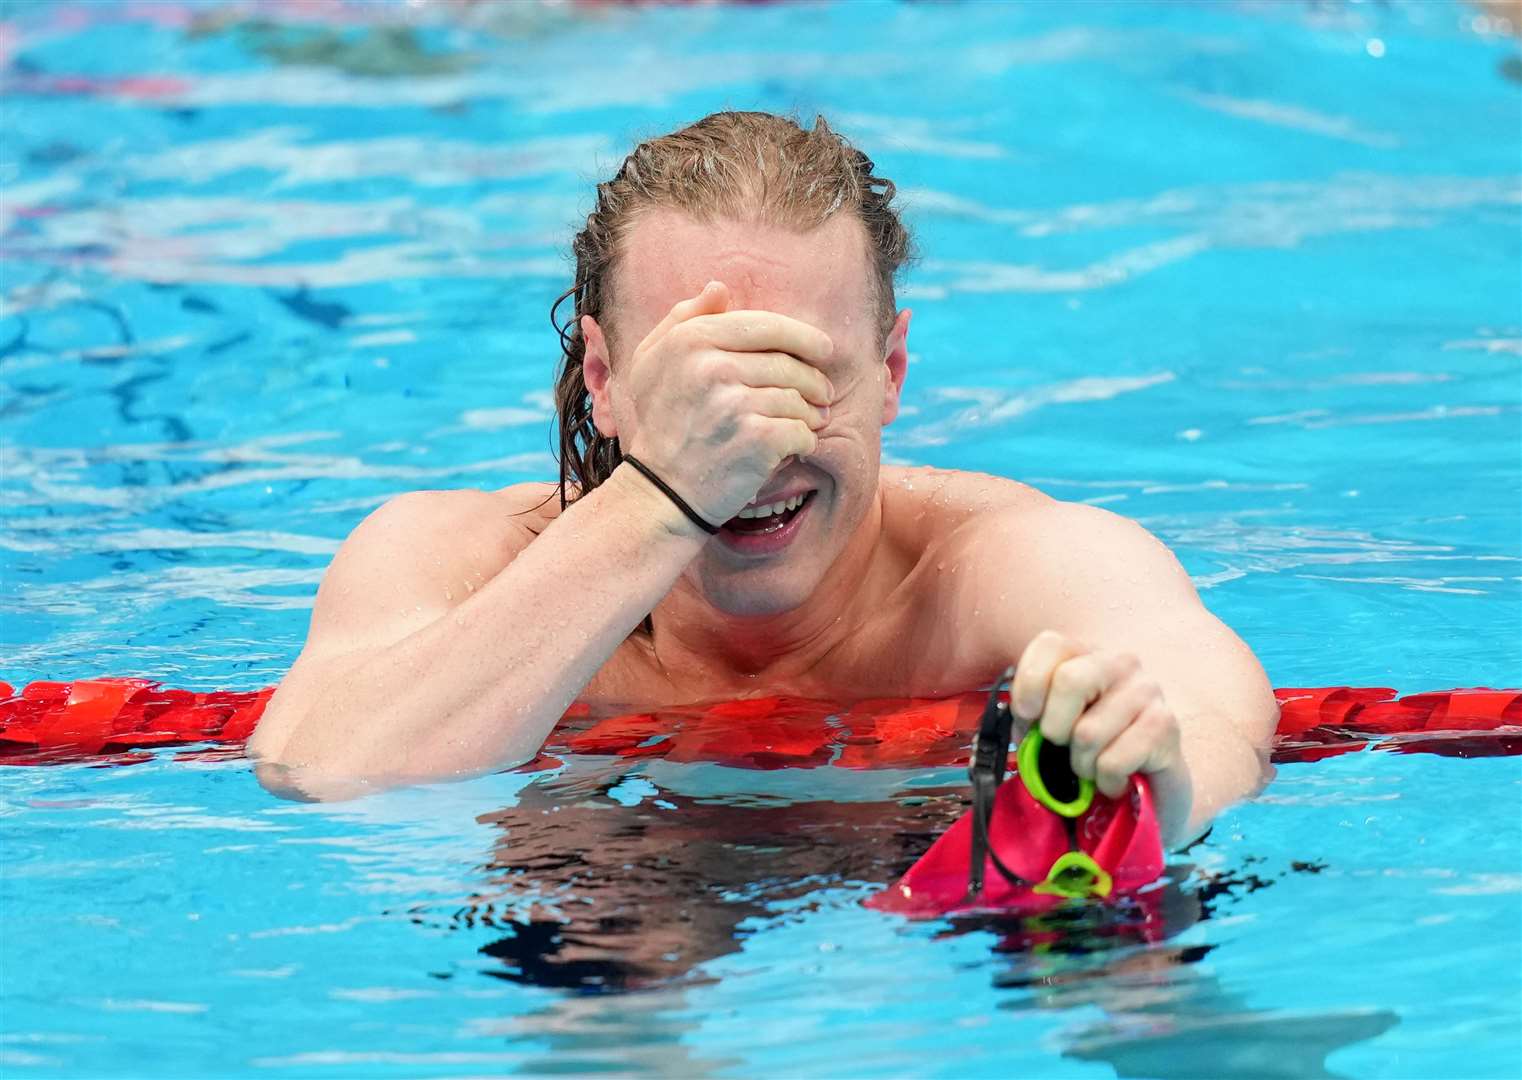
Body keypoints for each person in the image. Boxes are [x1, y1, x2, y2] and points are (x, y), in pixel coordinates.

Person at [248, 111, 1277, 848]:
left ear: (889, 375)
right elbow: (322, 772)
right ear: (604, 382)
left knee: (1120, 965)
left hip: (919, 870)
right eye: (703, 389)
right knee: (588, 884)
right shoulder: (454, 559)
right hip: (612, 876)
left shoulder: (992, 564)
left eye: (805, 379)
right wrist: (659, 499)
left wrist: (1161, 779)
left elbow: (1212, 711)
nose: (754, 447)